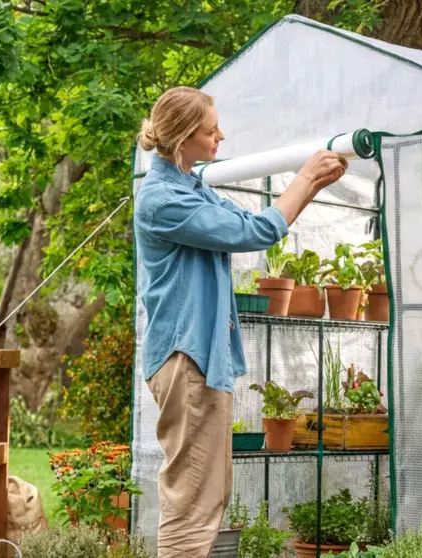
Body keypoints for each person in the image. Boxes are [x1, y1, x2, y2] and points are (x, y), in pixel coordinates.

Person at [133, 86, 347, 557]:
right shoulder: (163, 201)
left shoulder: (192, 187)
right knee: (192, 500)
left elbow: (260, 222)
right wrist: (304, 175)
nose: (220, 136)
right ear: (185, 136)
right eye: (212, 130)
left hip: (198, 358)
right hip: (185, 359)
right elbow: (255, 233)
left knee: (208, 494)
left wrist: (310, 184)